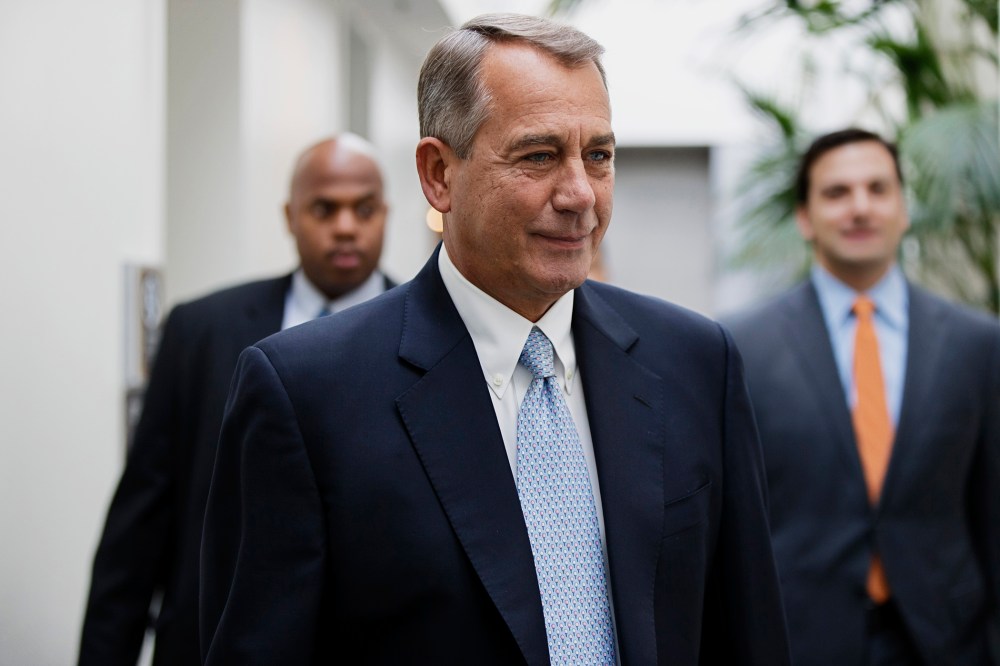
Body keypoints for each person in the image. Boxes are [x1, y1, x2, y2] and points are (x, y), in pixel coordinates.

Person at [200, 13, 790, 665]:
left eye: (597, 156)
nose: (579, 196)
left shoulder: (696, 364)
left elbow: (748, 634)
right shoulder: (306, 395)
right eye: (538, 156)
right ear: (438, 175)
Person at [78, 134, 395, 666]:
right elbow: (138, 530)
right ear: (289, 216)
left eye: (363, 209)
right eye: (324, 208)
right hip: (209, 641)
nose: (346, 227)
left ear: (384, 214)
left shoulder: (436, 339)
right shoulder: (200, 331)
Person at [726, 128, 999, 665]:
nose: (860, 207)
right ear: (805, 218)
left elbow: (990, 509)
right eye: (836, 193)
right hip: (799, 638)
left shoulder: (978, 344)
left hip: (947, 639)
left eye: (878, 189)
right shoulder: (739, 347)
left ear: (903, 209)